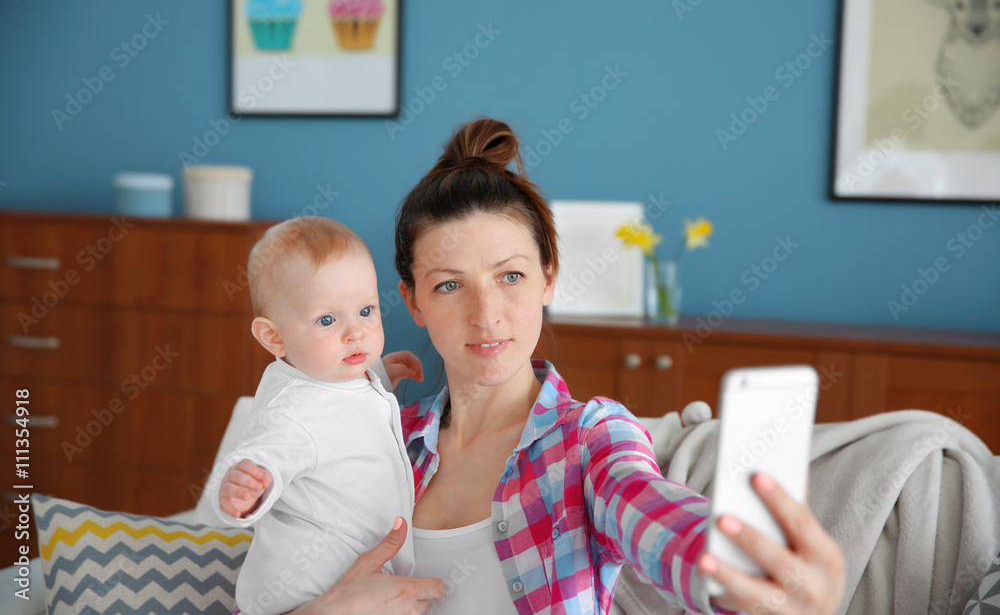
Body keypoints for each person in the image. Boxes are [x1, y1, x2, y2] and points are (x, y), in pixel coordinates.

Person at [290, 119, 845, 614]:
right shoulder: (377, 440)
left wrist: (735, 569)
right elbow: (272, 582)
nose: (487, 316)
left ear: (548, 278)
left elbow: (651, 513)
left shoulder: (590, 439)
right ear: (414, 301)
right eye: (450, 285)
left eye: (511, 277)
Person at [204, 216, 427, 615]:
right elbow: (267, 451)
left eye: (366, 310)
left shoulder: (326, 374)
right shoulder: (292, 410)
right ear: (274, 337)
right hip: (307, 584)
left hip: (347, 571)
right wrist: (246, 488)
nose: (355, 333)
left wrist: (380, 373)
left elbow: (342, 406)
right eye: (327, 320)